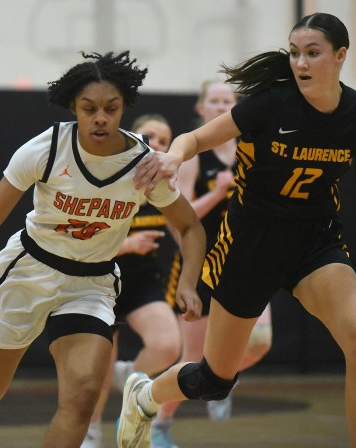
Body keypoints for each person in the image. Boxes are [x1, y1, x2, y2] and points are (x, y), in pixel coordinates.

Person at [116, 13, 356, 448]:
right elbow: (196, 138)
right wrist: (174, 157)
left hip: (315, 242)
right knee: (215, 378)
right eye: (296, 53)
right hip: (250, 244)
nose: (300, 62)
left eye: (312, 53)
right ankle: (145, 395)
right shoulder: (272, 103)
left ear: (340, 57)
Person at [0, 51, 206, 448]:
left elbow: (190, 226)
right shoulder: (47, 148)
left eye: (110, 109)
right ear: (74, 107)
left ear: (123, 107)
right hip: (30, 270)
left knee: (80, 400)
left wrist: (190, 283)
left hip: (90, 284)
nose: (100, 118)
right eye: (88, 108)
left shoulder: (142, 164)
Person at [150, 80, 272, 448]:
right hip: (202, 264)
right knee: (193, 358)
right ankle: (160, 422)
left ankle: (225, 377)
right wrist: (218, 192)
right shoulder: (191, 155)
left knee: (261, 341)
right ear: (201, 109)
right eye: (214, 101)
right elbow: (179, 219)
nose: (220, 107)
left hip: (245, 263)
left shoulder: (252, 151)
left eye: (227, 101)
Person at [81, 114, 182, 448]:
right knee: (97, 372)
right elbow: (83, 238)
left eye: (165, 140)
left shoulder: (164, 185)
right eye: (150, 136)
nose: (157, 144)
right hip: (101, 280)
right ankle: (91, 432)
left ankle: (130, 379)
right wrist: (126, 245)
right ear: (134, 138)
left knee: (168, 344)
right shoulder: (111, 176)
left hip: (142, 282)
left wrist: (197, 274)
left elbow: (185, 229)